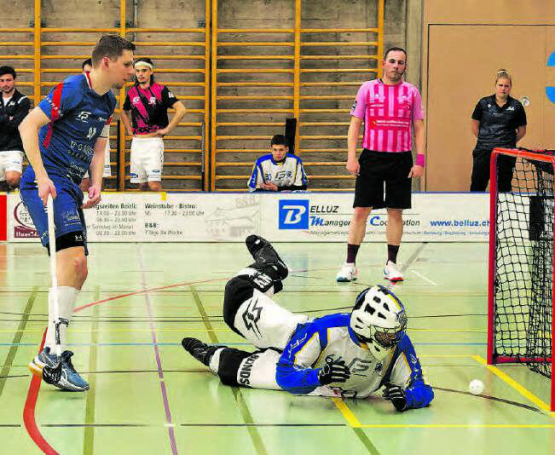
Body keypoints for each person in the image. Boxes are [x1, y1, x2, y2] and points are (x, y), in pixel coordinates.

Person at [182, 235, 434, 411]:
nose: (394, 339)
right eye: (386, 334)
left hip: (313, 386)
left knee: (233, 371)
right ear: (365, 327)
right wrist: (320, 375)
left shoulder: (399, 344)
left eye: (394, 333)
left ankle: (208, 354)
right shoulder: (326, 330)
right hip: (294, 337)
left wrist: (408, 399)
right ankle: (271, 268)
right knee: (235, 298)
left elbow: (423, 389)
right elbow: (287, 372)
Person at [20, 35, 135, 391]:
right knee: (71, 262)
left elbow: (99, 147)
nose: (132, 71)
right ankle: (52, 355)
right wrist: (41, 176)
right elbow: (27, 125)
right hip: (48, 181)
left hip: (71, 185)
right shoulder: (72, 89)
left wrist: (96, 181)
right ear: (107, 62)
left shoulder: (109, 100)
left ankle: (52, 353)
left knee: (80, 269)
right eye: (128, 64)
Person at [336, 47, 425, 283]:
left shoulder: (412, 92)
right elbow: (355, 123)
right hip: (371, 158)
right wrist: (351, 156)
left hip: (401, 159)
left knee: (395, 211)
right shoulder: (367, 89)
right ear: (384, 64)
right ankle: (349, 265)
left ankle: (391, 264)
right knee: (360, 210)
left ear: (405, 66)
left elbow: (418, 127)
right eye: (392, 61)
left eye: (401, 62)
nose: (396, 66)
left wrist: (420, 160)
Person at [121, 58, 186, 192]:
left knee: (154, 185)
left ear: (151, 71)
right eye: (138, 71)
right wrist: (129, 129)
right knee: (142, 185)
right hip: (137, 143)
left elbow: (181, 109)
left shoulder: (161, 90)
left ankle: (165, 205)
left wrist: (167, 129)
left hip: (153, 143)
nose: (140, 74)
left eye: (144, 70)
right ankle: (146, 207)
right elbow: (123, 112)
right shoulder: (132, 92)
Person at [470, 69, 527, 192]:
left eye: (506, 86)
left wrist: (507, 141)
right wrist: (486, 139)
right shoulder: (483, 103)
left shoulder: (517, 106)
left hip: (506, 153)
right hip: (483, 152)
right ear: (495, 85)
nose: (503, 88)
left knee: (503, 188)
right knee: (477, 185)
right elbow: (474, 125)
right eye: (500, 85)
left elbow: (522, 131)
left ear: (510, 87)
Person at [80, 58, 113, 192]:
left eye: (91, 73)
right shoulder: (72, 93)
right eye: (85, 73)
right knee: (83, 183)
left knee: (99, 181)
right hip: (78, 142)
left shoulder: (108, 98)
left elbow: (104, 128)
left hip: (99, 140)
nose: (88, 77)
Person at [0, 66, 31, 190]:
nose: (5, 84)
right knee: (2, 187)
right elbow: (10, 123)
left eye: (8, 80)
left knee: (12, 179)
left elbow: (15, 125)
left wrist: (2, 118)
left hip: (14, 148)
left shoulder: (23, 100)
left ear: (15, 80)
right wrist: (8, 117)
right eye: (2, 81)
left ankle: (17, 190)